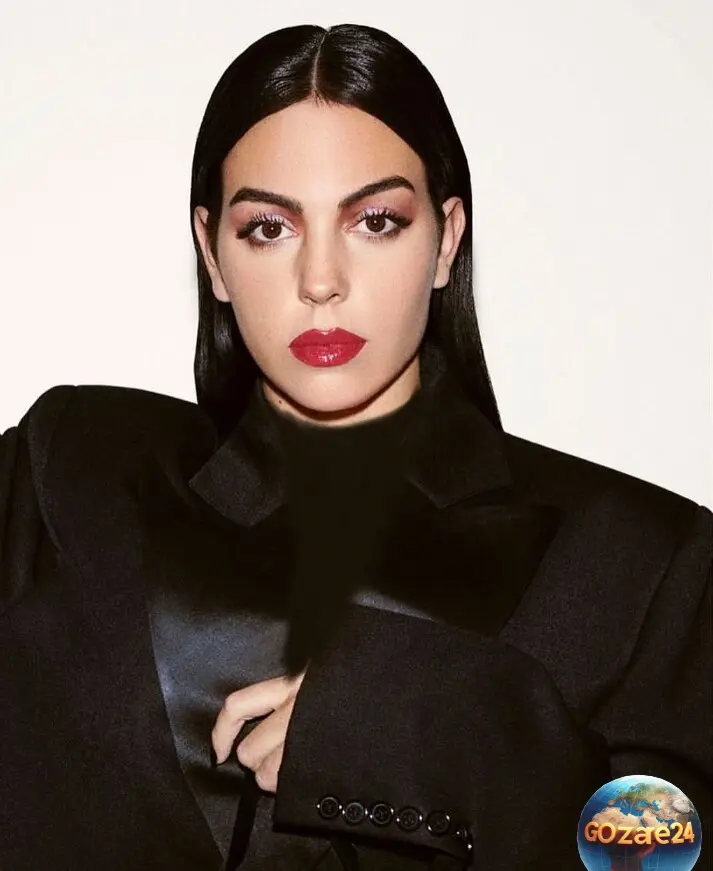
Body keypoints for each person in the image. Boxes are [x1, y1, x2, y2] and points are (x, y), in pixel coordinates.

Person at [0, 22, 710, 871]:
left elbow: (666, 854)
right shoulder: (66, 470)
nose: (320, 280)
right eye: (269, 227)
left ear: (446, 239)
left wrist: (438, 722)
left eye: (375, 220)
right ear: (212, 255)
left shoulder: (636, 558)